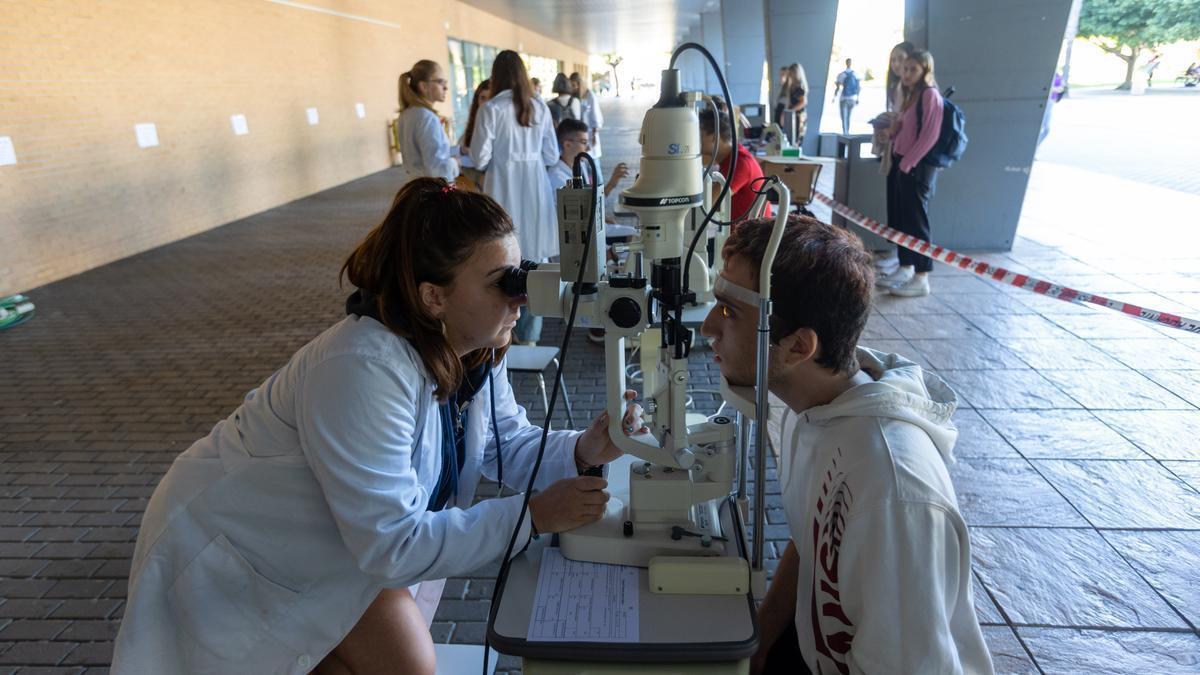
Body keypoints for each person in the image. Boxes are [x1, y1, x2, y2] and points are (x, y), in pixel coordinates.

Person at [111, 178, 648, 674]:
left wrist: (584, 449)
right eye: (501, 282)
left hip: (346, 535)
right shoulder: (361, 367)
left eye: (520, 273)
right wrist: (532, 515)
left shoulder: (471, 348)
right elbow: (395, 543)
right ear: (433, 296)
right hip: (248, 538)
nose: (520, 296)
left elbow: (504, 443)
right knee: (400, 665)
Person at [699, 214, 993, 675]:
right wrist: (760, 641)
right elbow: (812, 539)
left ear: (798, 347)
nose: (707, 327)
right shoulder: (812, 410)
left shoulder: (889, 490)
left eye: (729, 311)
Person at [470, 51, 559, 345]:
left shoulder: (491, 109)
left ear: (495, 76)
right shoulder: (539, 107)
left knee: (501, 254)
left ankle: (502, 332)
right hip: (535, 185)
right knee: (534, 257)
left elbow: (479, 158)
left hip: (502, 185)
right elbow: (552, 155)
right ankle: (531, 334)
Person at [878, 49, 943, 298]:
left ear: (925, 70)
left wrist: (908, 164)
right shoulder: (910, 95)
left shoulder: (929, 95)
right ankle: (905, 267)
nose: (906, 74)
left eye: (912, 69)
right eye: (905, 69)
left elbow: (929, 135)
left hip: (915, 168)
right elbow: (906, 130)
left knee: (916, 222)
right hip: (902, 163)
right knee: (902, 220)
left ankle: (922, 276)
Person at [868, 41, 916, 277]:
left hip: (908, 160)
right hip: (896, 154)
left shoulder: (921, 93)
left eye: (902, 60)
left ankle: (908, 264)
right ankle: (900, 257)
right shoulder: (898, 88)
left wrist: (907, 162)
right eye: (894, 60)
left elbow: (920, 130)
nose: (898, 65)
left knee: (909, 214)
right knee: (896, 210)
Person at [699, 108, 771, 224]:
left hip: (750, 234)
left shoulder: (739, 163)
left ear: (714, 137)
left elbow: (708, 204)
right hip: (738, 229)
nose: (694, 140)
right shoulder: (731, 158)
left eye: (699, 135)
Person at [395, 60, 458, 185]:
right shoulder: (427, 118)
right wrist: (456, 163)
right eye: (440, 82)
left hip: (415, 185)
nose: (445, 87)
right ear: (423, 86)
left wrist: (458, 150)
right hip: (432, 187)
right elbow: (437, 169)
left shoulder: (406, 114)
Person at [547, 118, 627, 199]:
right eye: (584, 142)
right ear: (567, 145)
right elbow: (588, 204)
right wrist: (611, 184)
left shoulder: (582, 165)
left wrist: (612, 183)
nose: (588, 148)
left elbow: (593, 200)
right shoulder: (557, 178)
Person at [456, 78, 491, 191]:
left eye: (490, 98)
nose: (486, 103)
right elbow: (461, 162)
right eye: (483, 98)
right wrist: (478, 178)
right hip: (479, 189)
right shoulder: (470, 130)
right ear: (477, 101)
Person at [570, 72, 604, 173]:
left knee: (594, 167)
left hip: (590, 135)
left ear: (580, 84)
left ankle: (598, 184)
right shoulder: (574, 98)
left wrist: (593, 137)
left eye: (574, 85)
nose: (573, 88)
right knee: (584, 168)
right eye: (571, 85)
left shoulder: (590, 96)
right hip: (579, 138)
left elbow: (596, 117)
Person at [831, 57, 860, 135]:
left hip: (843, 98)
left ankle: (845, 133)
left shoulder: (842, 74)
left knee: (844, 117)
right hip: (852, 98)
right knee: (849, 117)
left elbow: (837, 87)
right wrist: (858, 98)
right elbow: (858, 87)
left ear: (846, 63)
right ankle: (847, 132)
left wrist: (834, 97)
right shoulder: (855, 74)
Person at [782, 63, 808, 144]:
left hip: (799, 118)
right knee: (790, 139)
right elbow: (789, 102)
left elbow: (803, 102)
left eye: (791, 74)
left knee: (796, 141)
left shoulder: (799, 87)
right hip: (793, 117)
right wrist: (785, 112)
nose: (789, 76)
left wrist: (791, 111)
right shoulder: (792, 87)